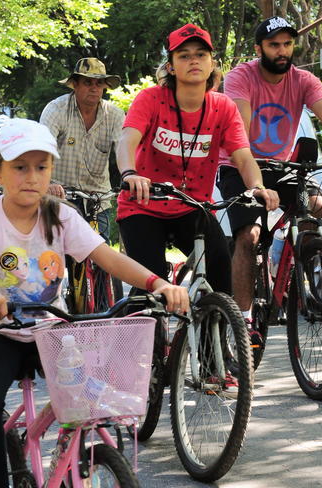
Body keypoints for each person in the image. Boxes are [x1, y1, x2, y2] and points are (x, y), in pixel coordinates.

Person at [0, 118, 189, 488]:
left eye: (41, 167)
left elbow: (107, 257)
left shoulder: (59, 216)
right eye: (20, 167)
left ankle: (81, 458)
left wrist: (157, 284)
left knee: (92, 399)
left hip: (50, 330)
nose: (32, 177)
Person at [217, 15, 322, 341]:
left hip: (280, 166)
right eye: (274, 45)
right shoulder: (240, 77)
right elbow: (240, 131)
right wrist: (254, 181)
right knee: (248, 237)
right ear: (259, 47)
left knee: (321, 209)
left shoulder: (303, 80)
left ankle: (292, 265)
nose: (282, 51)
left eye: (287, 44)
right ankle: (244, 321)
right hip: (239, 162)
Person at [116, 22, 279, 305]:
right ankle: (146, 343)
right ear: (170, 67)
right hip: (142, 203)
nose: (194, 60)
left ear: (212, 63)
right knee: (150, 287)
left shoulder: (223, 107)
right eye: (184, 55)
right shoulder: (151, 99)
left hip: (192, 206)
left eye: (201, 54)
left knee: (220, 274)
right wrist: (130, 173)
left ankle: (216, 340)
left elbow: (242, 155)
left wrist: (257, 187)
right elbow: (127, 141)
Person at [39, 58, 124, 241]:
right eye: (87, 82)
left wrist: (130, 176)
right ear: (75, 85)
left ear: (104, 87)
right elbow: (42, 149)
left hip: (98, 198)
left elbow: (124, 151)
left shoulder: (115, 115)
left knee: (101, 257)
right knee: (55, 254)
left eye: (99, 82)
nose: (94, 87)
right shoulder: (56, 109)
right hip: (59, 195)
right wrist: (47, 182)